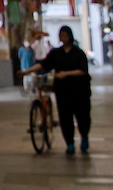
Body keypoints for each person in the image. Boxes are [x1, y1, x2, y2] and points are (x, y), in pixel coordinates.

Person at [40, 24, 94, 155]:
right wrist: (27, 71)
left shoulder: (78, 53)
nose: (63, 38)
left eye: (65, 35)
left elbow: (83, 71)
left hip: (80, 91)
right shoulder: (56, 53)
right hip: (63, 91)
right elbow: (44, 65)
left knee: (82, 116)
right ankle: (69, 143)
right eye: (61, 35)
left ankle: (84, 137)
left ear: (70, 36)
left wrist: (66, 74)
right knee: (65, 118)